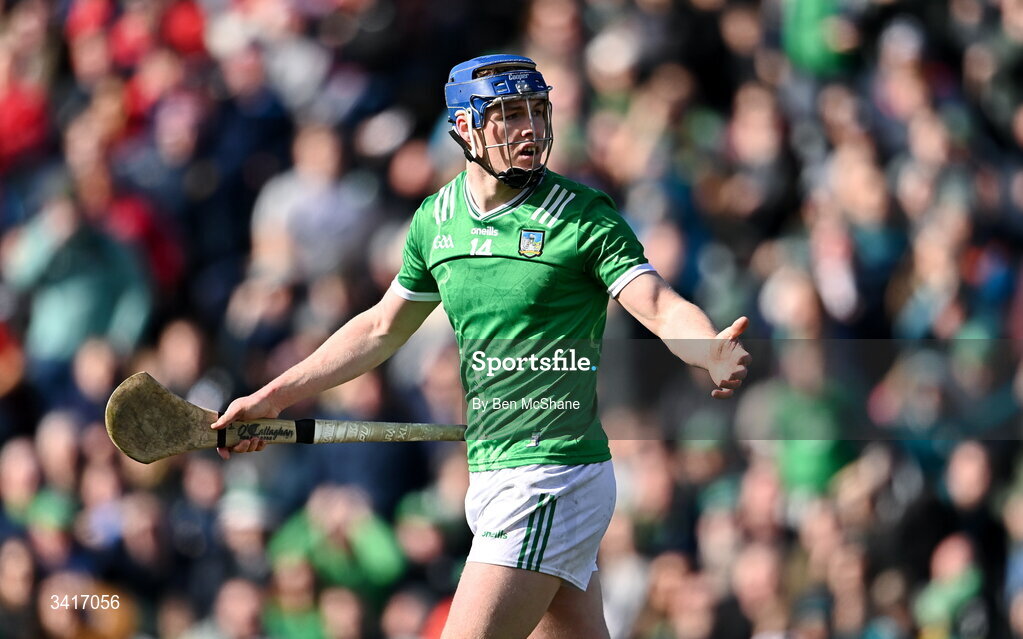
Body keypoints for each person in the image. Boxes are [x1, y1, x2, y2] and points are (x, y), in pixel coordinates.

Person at [212, 54, 751, 639]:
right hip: (492, 473)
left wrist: (707, 348)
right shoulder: (436, 221)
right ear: (465, 128)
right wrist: (273, 396)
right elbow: (378, 329)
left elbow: (657, 303)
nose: (530, 129)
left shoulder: (583, 217)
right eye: (508, 115)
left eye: (537, 112)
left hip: (549, 478)